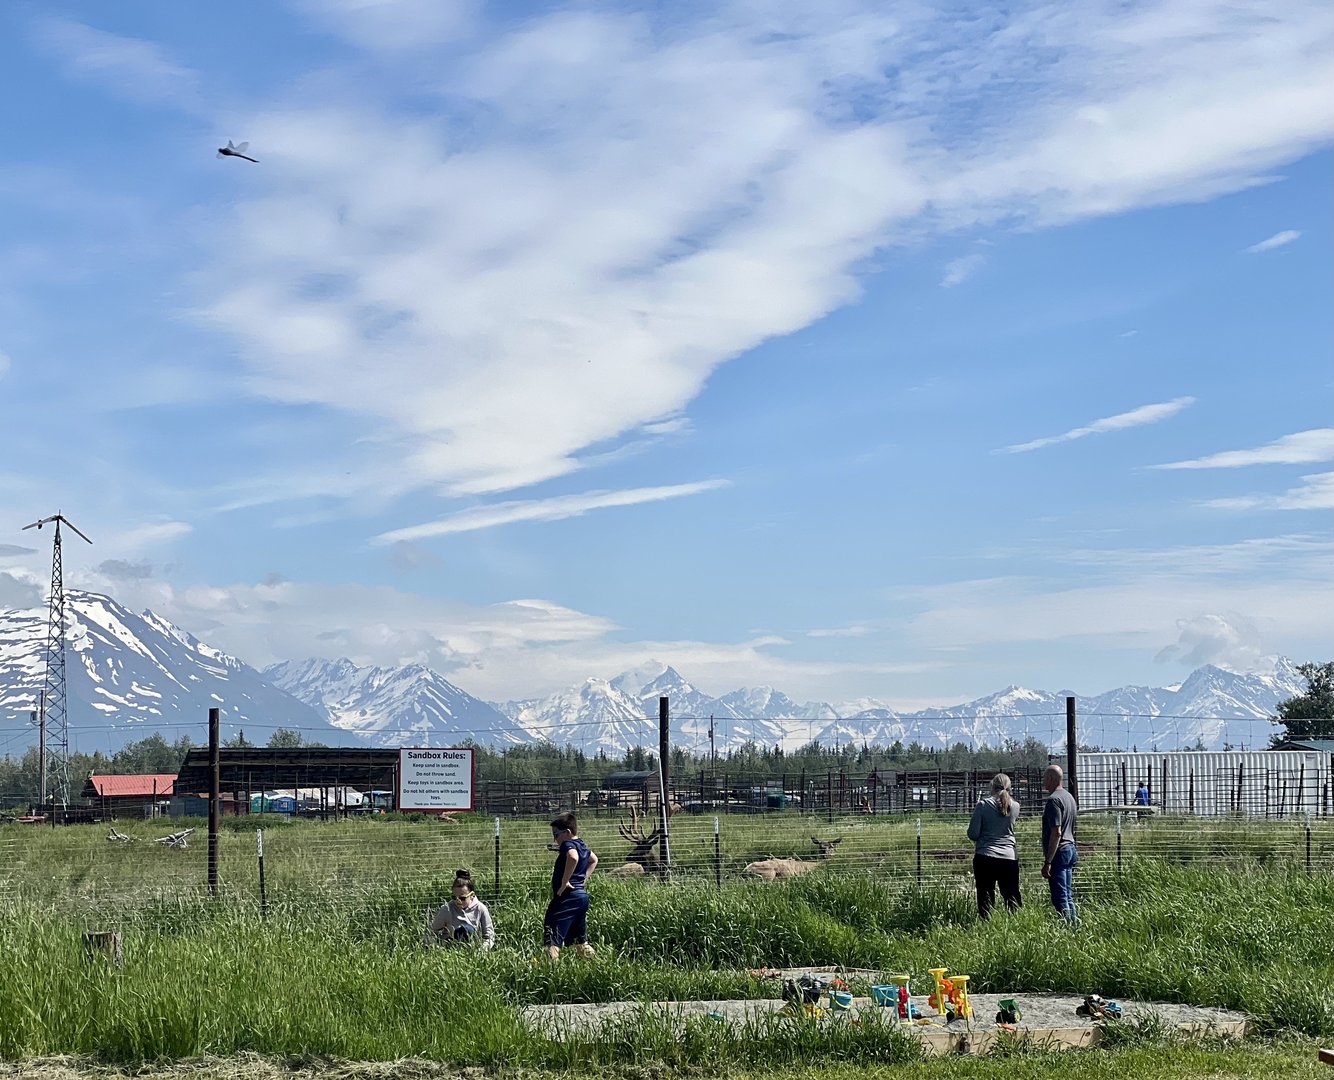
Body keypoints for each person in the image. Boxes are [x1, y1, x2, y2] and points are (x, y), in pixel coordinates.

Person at [544, 811, 598, 961]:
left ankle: (550, 975)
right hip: (580, 897)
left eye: (556, 835)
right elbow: (594, 860)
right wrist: (582, 880)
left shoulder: (568, 844)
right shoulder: (582, 844)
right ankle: (599, 965)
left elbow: (573, 857)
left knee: (552, 939)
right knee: (579, 942)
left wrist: (565, 881)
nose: (555, 839)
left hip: (566, 898)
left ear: (567, 832)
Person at [966, 773, 1021, 918]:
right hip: (1009, 856)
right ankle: (1016, 922)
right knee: (1011, 894)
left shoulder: (983, 805)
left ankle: (987, 925)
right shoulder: (1015, 806)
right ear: (1009, 787)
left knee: (985, 894)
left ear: (992, 786)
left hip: (986, 856)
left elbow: (973, 833)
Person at [1041, 764, 1079, 923]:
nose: (1043, 782)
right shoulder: (1069, 797)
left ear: (1051, 779)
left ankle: (1067, 928)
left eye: (1045, 778)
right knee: (1067, 893)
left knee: (1060, 895)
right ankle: (1075, 924)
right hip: (1071, 848)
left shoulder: (1053, 800)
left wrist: (1048, 861)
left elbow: (1056, 832)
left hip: (1060, 851)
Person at [426, 869, 495, 950]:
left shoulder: (480, 908)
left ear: (472, 895)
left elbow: (489, 936)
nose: (458, 901)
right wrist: (439, 948)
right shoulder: (447, 909)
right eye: (454, 897)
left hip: (475, 948)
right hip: (450, 949)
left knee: (467, 929)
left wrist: (481, 950)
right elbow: (430, 933)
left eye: (462, 898)